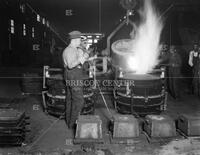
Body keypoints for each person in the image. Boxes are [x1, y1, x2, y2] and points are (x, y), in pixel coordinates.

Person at [63, 31, 90, 129]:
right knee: (79, 101)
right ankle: (74, 124)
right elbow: (70, 65)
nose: (80, 41)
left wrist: (83, 57)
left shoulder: (74, 49)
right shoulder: (69, 50)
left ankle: (69, 123)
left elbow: (76, 62)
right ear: (74, 40)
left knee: (70, 99)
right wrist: (83, 57)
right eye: (79, 39)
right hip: (73, 77)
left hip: (73, 76)